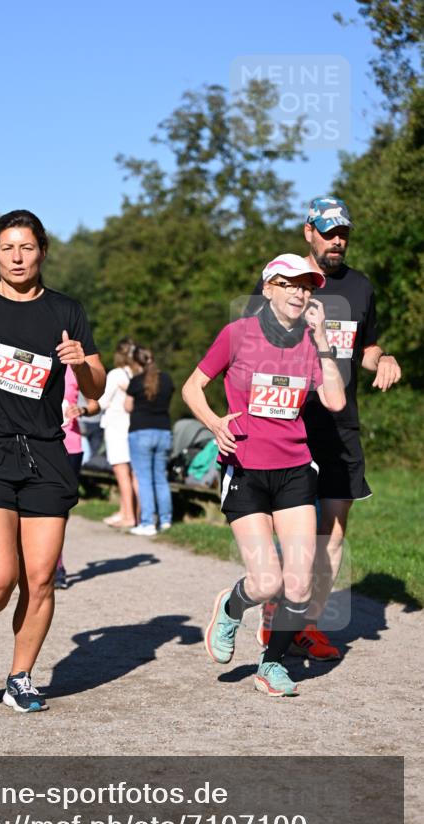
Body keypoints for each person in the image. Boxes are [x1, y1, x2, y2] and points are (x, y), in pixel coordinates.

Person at [0, 209, 105, 713]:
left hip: (47, 452)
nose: (17, 256)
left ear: (43, 252)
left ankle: (21, 677)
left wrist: (81, 365)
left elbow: (94, 385)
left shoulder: (66, 311)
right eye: (8, 247)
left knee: (41, 577)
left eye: (26, 247)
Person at [183, 254, 346, 697]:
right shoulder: (238, 335)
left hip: (294, 471)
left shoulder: (311, 345)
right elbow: (192, 387)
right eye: (290, 283)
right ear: (269, 287)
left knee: (297, 583)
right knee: (267, 582)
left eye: (307, 286)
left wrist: (324, 342)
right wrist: (215, 423)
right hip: (246, 470)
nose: (300, 292)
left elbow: (333, 400)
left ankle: (270, 666)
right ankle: (232, 606)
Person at [252, 199, 401, 660]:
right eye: (329, 231)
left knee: (332, 530)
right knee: (291, 526)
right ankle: (276, 609)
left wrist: (386, 358)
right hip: (289, 419)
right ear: (309, 232)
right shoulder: (284, 281)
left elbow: (367, 346)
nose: (338, 240)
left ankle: (307, 624)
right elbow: (254, 345)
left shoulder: (360, 287)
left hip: (340, 423)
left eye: (344, 234)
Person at [54, 365, 100, 588]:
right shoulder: (36, 358)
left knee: (60, 510)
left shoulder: (74, 369)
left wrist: (82, 410)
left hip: (71, 445)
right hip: (39, 445)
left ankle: (57, 566)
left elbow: (95, 404)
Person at [125, 346, 174, 536]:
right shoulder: (167, 379)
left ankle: (147, 522)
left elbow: (128, 406)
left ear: (137, 363)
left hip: (141, 432)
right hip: (163, 431)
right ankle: (166, 520)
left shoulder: (136, 381)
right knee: (161, 478)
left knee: (144, 479)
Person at [98, 338, 140, 529]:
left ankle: (129, 516)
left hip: (116, 427)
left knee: (122, 474)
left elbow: (102, 401)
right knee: (135, 475)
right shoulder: (140, 372)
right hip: (135, 427)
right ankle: (133, 512)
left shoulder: (115, 374)